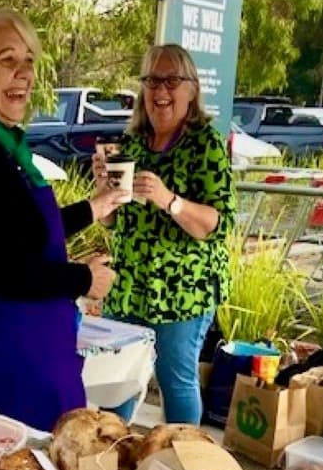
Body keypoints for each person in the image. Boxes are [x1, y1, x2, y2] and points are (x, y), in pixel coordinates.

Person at [0, 7, 124, 432]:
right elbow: (4, 272)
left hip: (34, 343)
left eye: (28, 60)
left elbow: (23, 234)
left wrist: (93, 207)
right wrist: (82, 280)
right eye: (7, 60)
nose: (25, 73)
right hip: (11, 349)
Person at [93, 43, 235, 425]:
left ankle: (184, 465)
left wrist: (169, 200)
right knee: (118, 377)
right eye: (152, 80)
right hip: (129, 286)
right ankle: (111, 455)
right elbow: (113, 222)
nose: (160, 91)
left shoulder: (206, 145)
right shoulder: (133, 142)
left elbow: (220, 225)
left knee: (176, 380)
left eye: (172, 80)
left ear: (191, 88)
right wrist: (104, 192)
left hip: (182, 291)